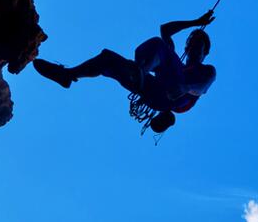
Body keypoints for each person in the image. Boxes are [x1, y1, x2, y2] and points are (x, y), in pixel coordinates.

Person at [33, 9, 216, 133]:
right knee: (107, 58)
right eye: (191, 42)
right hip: (150, 87)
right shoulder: (174, 61)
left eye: (198, 44)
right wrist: (196, 22)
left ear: (205, 51)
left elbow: (202, 86)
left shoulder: (206, 71)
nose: (193, 45)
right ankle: (68, 75)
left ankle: (141, 72)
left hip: (171, 97)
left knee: (160, 46)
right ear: (186, 46)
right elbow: (165, 29)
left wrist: (185, 87)